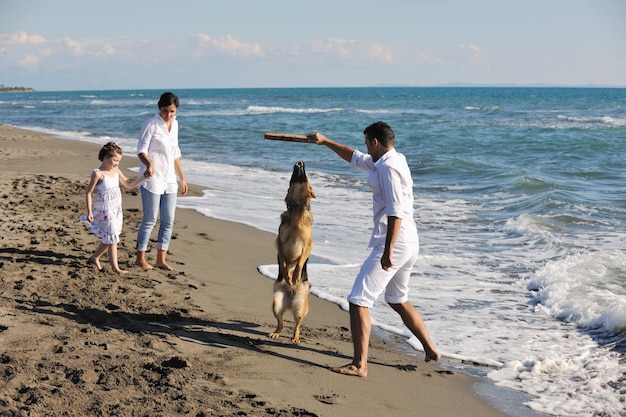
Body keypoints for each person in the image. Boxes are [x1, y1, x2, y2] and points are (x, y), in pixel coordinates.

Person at [307, 121, 441, 378]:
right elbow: (355, 158)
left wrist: (388, 250)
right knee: (397, 299)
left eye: (368, 143)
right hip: (409, 240)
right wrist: (325, 142)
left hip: (395, 240)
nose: (366, 149)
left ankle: (360, 365)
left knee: (358, 300)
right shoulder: (392, 159)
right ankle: (431, 350)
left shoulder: (388, 168)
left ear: (376, 142)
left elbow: (395, 211)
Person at [135, 92, 188, 271]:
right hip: (152, 178)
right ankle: (140, 258)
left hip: (169, 179)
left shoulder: (176, 125)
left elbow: (175, 154)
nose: (169, 115)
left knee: (168, 220)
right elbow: (141, 150)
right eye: (165, 111)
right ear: (159, 108)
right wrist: (149, 164)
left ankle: (160, 259)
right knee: (150, 219)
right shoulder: (150, 124)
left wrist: (182, 177)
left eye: (172, 111)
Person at [81, 142, 147, 274]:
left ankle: (95, 258)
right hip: (105, 211)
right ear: (106, 157)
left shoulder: (116, 171)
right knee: (113, 238)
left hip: (116, 210)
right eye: (115, 160)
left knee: (111, 236)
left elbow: (128, 184)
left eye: (119, 161)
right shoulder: (98, 174)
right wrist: (89, 211)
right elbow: (89, 192)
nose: (117, 163)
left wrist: (144, 177)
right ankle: (115, 268)